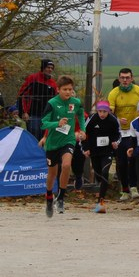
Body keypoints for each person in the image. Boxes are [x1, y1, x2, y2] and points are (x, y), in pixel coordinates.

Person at [40, 75, 86, 217]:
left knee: (66, 165)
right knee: (52, 173)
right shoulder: (52, 103)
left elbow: (81, 115)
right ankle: (49, 197)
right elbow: (43, 123)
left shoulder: (76, 102)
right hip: (53, 143)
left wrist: (82, 129)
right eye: (65, 89)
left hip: (69, 140)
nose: (68, 92)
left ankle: (60, 197)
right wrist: (57, 124)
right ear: (58, 89)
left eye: (70, 90)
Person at [108, 68, 139, 201]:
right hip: (121, 132)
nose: (125, 80)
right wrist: (117, 119)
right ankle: (124, 189)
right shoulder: (114, 93)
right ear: (119, 79)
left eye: (127, 77)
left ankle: (134, 187)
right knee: (122, 162)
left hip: (135, 131)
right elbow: (110, 113)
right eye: (122, 78)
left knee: (134, 159)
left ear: (132, 78)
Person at [82, 101, 121, 214]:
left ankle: (101, 203)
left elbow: (119, 134)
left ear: (108, 111)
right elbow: (83, 134)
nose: (102, 114)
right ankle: (101, 191)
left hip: (107, 151)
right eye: (100, 111)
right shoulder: (92, 119)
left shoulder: (113, 120)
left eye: (105, 111)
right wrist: (85, 148)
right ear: (97, 111)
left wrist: (115, 142)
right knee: (99, 174)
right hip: (94, 152)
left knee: (105, 173)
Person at [18, 59, 58, 140]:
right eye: (48, 67)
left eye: (51, 68)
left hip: (47, 116)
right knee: (33, 138)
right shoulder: (33, 78)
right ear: (43, 68)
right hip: (33, 115)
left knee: (44, 138)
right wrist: (23, 112)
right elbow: (21, 94)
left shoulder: (53, 83)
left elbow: (56, 100)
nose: (50, 69)